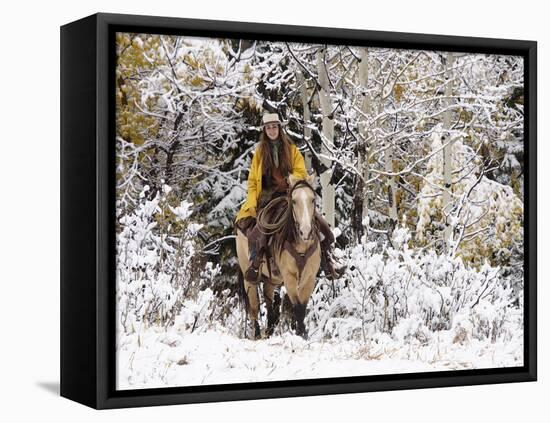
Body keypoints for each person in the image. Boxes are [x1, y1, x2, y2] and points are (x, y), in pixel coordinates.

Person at [235, 112, 340, 282]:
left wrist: (291, 181)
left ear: (279, 128)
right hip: (268, 199)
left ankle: (329, 260)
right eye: (268, 128)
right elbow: (253, 181)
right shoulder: (260, 153)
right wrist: (252, 202)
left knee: (320, 225)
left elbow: (300, 172)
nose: (271, 130)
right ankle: (255, 265)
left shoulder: (291, 150)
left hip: (289, 195)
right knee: (257, 232)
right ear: (265, 131)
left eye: (274, 127)